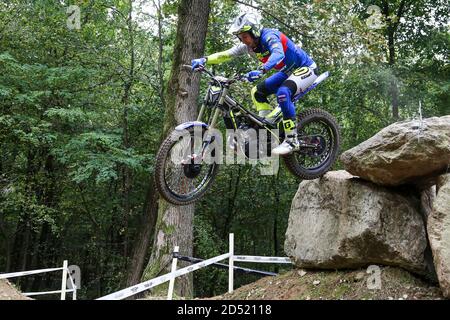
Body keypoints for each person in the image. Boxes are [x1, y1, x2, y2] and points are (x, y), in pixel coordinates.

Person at [191, 13, 319, 155]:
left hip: (306, 69)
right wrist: (204, 60)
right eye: (240, 38)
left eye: (245, 36)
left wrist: (262, 69)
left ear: (255, 31)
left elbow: (278, 54)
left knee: (283, 93)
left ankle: (292, 139)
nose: (243, 41)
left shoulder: (269, 36)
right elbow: (226, 54)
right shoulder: (249, 47)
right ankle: (266, 128)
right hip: (288, 72)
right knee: (257, 92)